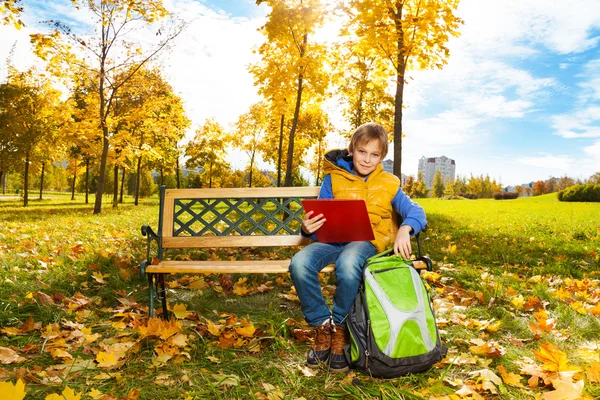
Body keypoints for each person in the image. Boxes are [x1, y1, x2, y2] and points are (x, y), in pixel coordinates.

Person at [288, 122, 427, 374]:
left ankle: (340, 328)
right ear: (352, 150)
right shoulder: (333, 179)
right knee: (299, 263)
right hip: (333, 240)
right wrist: (307, 228)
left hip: (367, 242)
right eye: (362, 152)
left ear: (381, 157)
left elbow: (415, 210)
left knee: (350, 262)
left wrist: (406, 229)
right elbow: (321, 214)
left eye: (375, 155)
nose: (367, 159)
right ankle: (323, 325)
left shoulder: (389, 183)